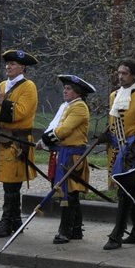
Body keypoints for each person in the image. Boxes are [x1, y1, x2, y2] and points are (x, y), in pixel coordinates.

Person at [102, 60, 135, 250]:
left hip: (131, 151)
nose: (121, 76)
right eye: (119, 73)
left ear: (134, 75)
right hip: (116, 150)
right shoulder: (114, 96)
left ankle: (116, 235)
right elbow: (114, 124)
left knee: (125, 192)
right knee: (133, 191)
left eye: (125, 73)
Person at [0, 49, 40, 238]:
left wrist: (3, 101)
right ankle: (16, 221)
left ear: (23, 67)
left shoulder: (28, 86)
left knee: (11, 184)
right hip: (1, 138)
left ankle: (6, 222)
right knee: (8, 183)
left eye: (13, 64)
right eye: (7, 64)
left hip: (18, 140)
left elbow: (22, 113)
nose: (8, 67)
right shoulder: (2, 84)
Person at [43, 74, 94, 244]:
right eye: (64, 88)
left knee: (69, 193)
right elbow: (57, 127)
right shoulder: (68, 106)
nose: (65, 91)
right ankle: (76, 229)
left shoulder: (79, 107)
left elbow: (64, 130)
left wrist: (45, 140)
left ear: (77, 92)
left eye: (69, 89)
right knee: (71, 194)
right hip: (64, 153)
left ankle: (65, 231)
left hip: (72, 156)